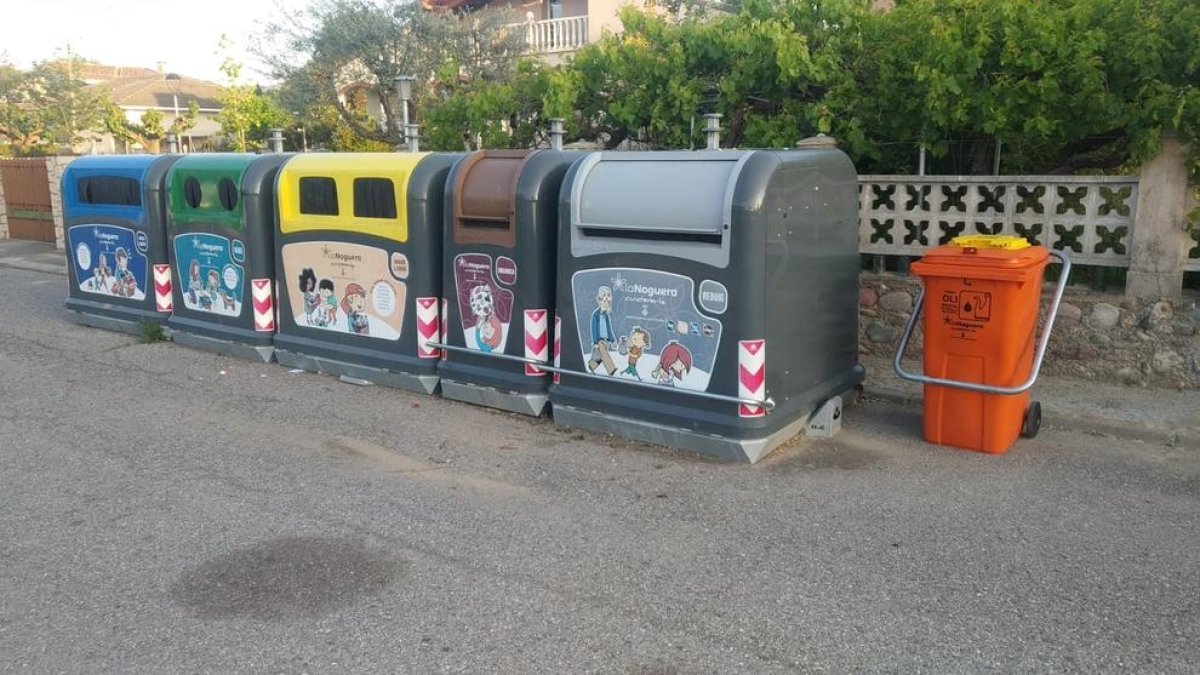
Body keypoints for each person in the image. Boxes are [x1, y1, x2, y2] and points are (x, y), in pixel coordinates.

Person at [587, 286, 617, 375]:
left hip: (606, 340)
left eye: (608, 301)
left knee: (599, 357)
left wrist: (612, 339)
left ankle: (591, 366)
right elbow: (594, 329)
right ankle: (611, 369)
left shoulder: (606, 315)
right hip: (599, 340)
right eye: (604, 300)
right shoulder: (596, 315)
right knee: (604, 354)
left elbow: (609, 328)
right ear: (599, 300)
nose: (606, 302)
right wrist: (595, 342)